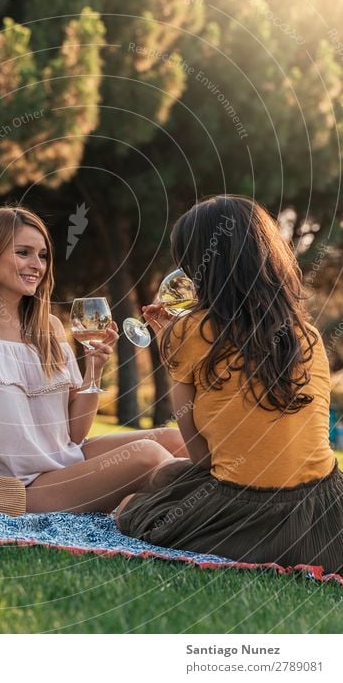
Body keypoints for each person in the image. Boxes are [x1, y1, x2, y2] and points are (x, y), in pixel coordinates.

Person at [0, 206, 188, 514]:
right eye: (23, 253)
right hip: (18, 489)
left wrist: (94, 370)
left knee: (173, 439)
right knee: (149, 455)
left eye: (43, 255)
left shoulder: (50, 329)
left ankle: (177, 506)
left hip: (62, 462)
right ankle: (188, 511)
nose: (37, 265)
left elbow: (74, 434)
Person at [116, 195, 343, 576]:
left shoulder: (190, 330)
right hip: (327, 516)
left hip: (244, 515)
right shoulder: (306, 334)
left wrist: (173, 355)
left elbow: (204, 457)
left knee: (131, 510)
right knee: (168, 476)